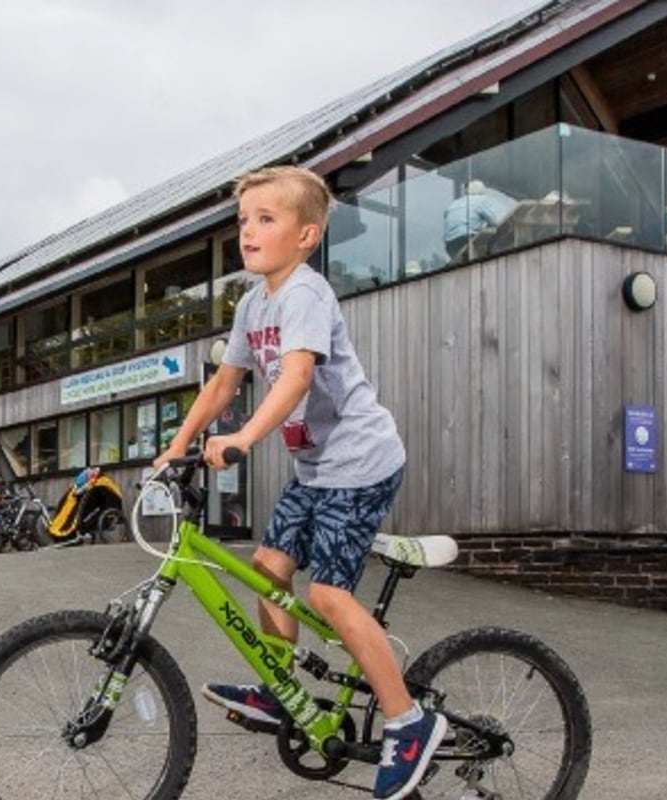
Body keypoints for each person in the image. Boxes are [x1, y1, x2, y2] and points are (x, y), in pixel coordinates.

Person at [154, 165, 445, 800]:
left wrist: (241, 440)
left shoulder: (305, 295)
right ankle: (282, 691)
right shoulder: (254, 303)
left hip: (361, 463)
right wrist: (175, 447)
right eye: (243, 220)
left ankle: (408, 721)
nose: (248, 231)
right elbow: (224, 383)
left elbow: (296, 378)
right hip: (316, 471)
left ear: (306, 235)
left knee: (330, 598)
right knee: (266, 569)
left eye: (266, 219)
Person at [443, 178, 517, 261]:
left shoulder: (454, 204)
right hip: (467, 239)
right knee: (500, 230)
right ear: (481, 191)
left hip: (450, 245)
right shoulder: (480, 200)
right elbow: (497, 220)